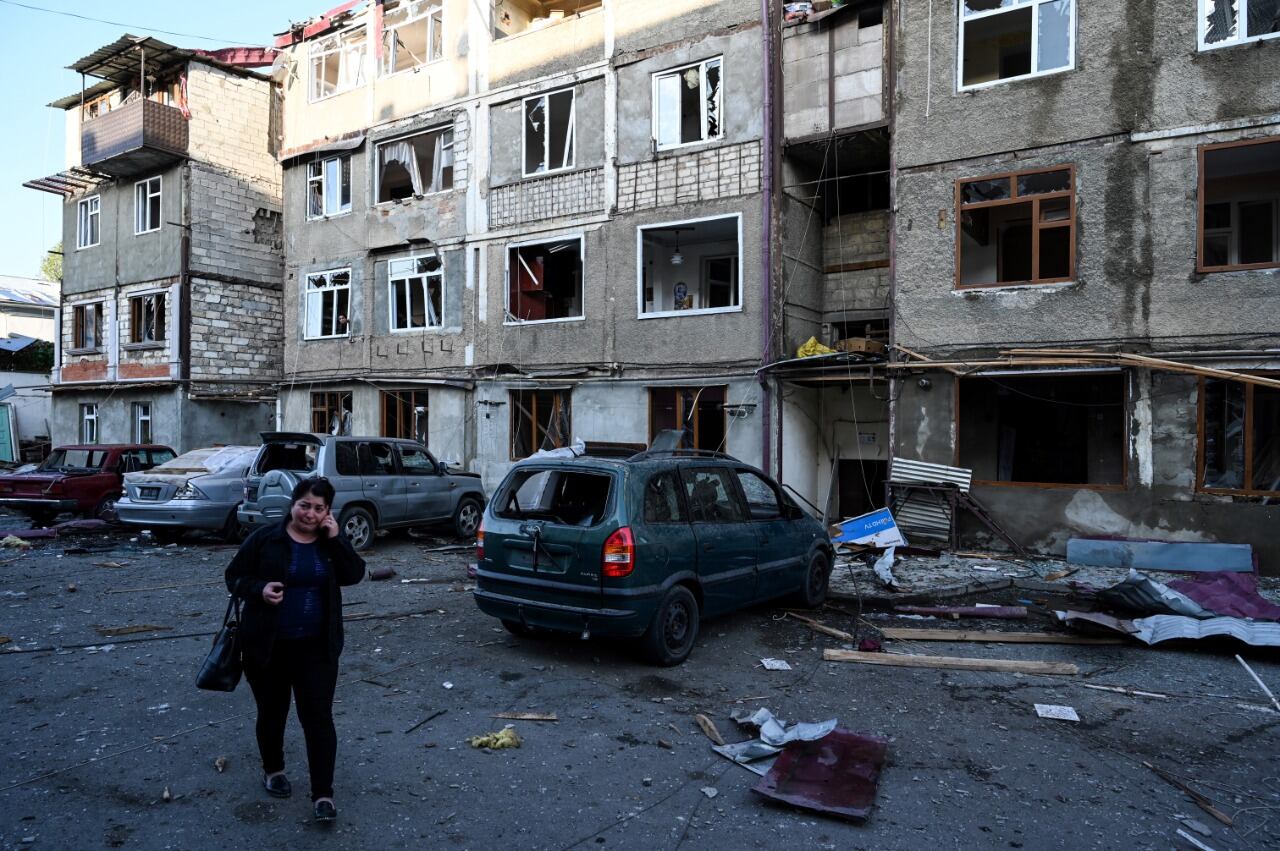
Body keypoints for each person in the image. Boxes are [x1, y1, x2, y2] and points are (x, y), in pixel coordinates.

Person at [225, 477, 365, 822]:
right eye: (305, 505)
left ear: (328, 511)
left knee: (318, 719)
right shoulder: (266, 539)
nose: (310, 514)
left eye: (319, 508)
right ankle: (273, 770)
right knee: (272, 714)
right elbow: (234, 577)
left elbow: (354, 574)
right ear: (293, 503)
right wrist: (259, 590)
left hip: (317, 649)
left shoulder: (329, 542)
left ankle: (323, 794)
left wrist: (337, 539)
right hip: (267, 646)